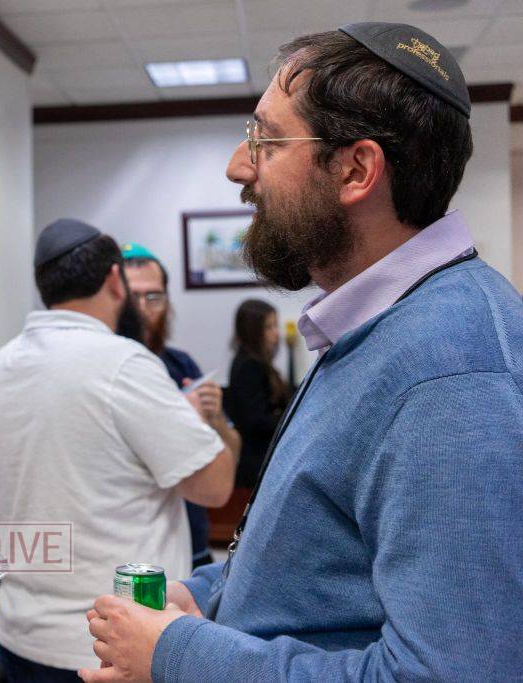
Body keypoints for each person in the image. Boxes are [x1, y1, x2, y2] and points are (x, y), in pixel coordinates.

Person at [82, 22, 523, 682]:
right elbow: (319, 555)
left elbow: (447, 674)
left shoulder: (452, 370)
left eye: (266, 139)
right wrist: (206, 597)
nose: (239, 165)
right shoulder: (385, 323)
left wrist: (178, 652)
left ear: (355, 170)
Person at [0, 219, 236, 681]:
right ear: (115, 280)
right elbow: (214, 487)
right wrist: (190, 417)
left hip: (20, 634)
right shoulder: (124, 364)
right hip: (109, 643)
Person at [121, 242, 241, 568]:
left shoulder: (181, 364)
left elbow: (231, 455)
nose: (143, 308)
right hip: (131, 549)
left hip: (191, 542)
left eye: (153, 297)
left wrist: (214, 419)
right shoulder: (104, 369)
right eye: (133, 297)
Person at [225, 299, 292, 488]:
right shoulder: (249, 366)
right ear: (253, 331)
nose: (276, 333)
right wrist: (289, 418)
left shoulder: (258, 363)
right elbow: (255, 420)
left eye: (275, 326)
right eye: (269, 327)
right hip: (256, 460)